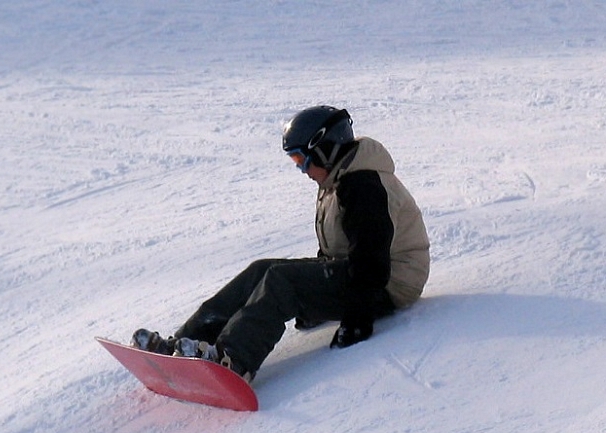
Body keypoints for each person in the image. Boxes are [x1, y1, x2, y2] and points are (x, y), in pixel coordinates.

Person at [132, 105, 430, 382]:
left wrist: (357, 319)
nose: (301, 170)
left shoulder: (363, 185)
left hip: (388, 284)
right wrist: (316, 294)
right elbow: (342, 248)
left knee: (281, 282)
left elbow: (371, 260)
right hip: (362, 273)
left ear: (324, 149)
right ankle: (186, 342)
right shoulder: (341, 177)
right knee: (262, 270)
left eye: (301, 160)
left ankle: (232, 360)